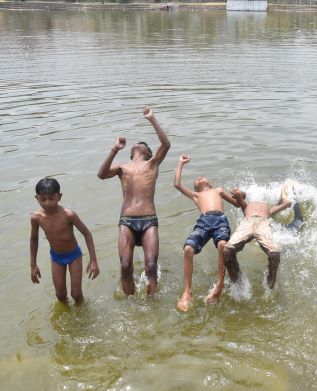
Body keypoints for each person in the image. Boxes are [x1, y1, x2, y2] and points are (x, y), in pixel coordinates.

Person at [97, 107, 170, 296]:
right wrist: (115, 149)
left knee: (152, 265)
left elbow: (166, 144)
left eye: (143, 144)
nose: (139, 143)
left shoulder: (152, 164)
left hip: (149, 220)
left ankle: (151, 302)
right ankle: (130, 301)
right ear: (130, 154)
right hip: (127, 221)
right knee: (125, 265)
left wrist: (152, 119)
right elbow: (101, 174)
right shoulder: (122, 167)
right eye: (137, 143)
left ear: (148, 152)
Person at [173, 154, 241, 310]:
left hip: (220, 220)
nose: (198, 178)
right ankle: (187, 291)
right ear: (196, 188)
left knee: (222, 245)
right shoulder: (196, 195)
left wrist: (239, 195)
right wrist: (180, 163)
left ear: (209, 184)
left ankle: (219, 285)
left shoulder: (218, 190)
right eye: (195, 180)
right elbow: (177, 184)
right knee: (188, 249)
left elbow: (237, 204)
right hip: (203, 222)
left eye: (201, 177)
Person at [29, 178, 99, 304]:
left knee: (76, 294)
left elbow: (87, 234)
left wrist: (93, 260)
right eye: (43, 199)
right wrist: (33, 265)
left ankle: (81, 316)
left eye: (51, 198)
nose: (47, 203)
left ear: (59, 196)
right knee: (60, 295)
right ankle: (66, 316)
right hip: (56, 257)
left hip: (74, 256)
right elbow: (34, 240)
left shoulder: (68, 215)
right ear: (36, 198)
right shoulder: (36, 218)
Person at [224, 186, 293, 290]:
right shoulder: (246, 206)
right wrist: (239, 195)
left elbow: (285, 205)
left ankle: (271, 281)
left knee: (274, 253)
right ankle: (237, 281)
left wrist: (287, 202)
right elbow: (240, 199)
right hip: (248, 222)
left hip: (263, 222)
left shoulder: (269, 210)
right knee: (227, 250)